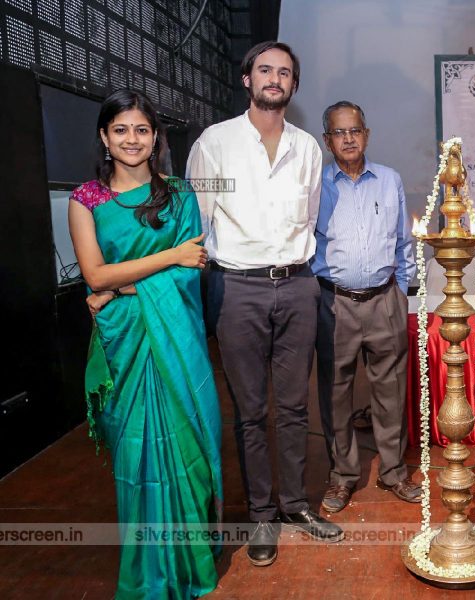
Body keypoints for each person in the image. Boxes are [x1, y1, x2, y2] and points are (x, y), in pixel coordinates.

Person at [187, 40, 343, 567]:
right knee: (251, 412)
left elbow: (310, 219)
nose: (274, 78)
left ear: (294, 85)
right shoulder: (216, 143)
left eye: (284, 72)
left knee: (296, 407)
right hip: (238, 290)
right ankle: (260, 514)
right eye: (264, 70)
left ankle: (295, 505)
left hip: (299, 286)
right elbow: (199, 220)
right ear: (246, 79)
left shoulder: (308, 148)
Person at [68, 89, 222, 598]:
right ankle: (151, 572)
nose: (131, 140)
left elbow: (192, 270)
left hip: (176, 344)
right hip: (124, 349)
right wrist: (166, 258)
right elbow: (92, 273)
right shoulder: (86, 199)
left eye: (141, 130)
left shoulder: (179, 194)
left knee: (188, 451)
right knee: (136, 459)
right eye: (120, 130)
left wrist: (119, 285)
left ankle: (192, 562)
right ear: (104, 137)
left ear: (155, 137)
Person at [312, 101, 420, 513]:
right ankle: (342, 477)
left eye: (355, 130)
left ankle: (393, 472)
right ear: (328, 141)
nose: (349, 138)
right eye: (339, 133)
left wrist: (401, 293)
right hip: (334, 302)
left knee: (391, 392)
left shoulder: (389, 180)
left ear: (367, 134)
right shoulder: (317, 185)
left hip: (384, 300)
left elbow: (402, 242)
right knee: (336, 393)